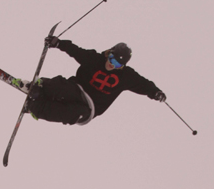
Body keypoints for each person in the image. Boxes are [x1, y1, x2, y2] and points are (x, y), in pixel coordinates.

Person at [24, 39, 166, 126]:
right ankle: (40, 87)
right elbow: (76, 51)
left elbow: (143, 84)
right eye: (112, 58)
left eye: (117, 64)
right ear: (109, 53)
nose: (112, 64)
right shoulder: (94, 59)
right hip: (78, 89)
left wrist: (155, 92)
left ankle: (36, 107)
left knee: (73, 113)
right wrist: (59, 43)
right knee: (66, 90)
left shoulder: (126, 76)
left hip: (91, 107)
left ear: (122, 66)